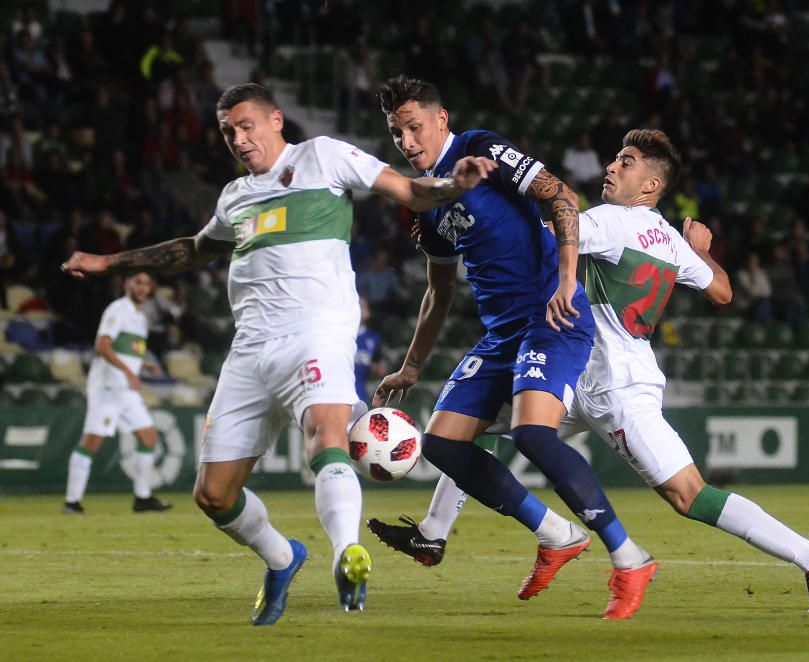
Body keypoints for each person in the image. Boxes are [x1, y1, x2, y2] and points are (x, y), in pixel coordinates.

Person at [60, 82, 495, 625]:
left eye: (246, 126)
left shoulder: (322, 157)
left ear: (275, 121)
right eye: (228, 132)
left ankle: (347, 555)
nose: (239, 140)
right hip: (250, 348)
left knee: (326, 434)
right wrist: (108, 263)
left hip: (316, 331)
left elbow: (408, 191)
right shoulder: (234, 198)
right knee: (213, 495)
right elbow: (194, 251)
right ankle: (283, 558)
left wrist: (454, 184)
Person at [369, 129, 809, 613]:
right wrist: (697, 248)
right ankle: (436, 532)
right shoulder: (670, 242)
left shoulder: (613, 221)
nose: (612, 167)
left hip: (615, 385)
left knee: (688, 496)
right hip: (577, 371)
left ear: (650, 186)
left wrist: (451, 217)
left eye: (627, 161)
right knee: (473, 428)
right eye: (616, 158)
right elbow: (722, 291)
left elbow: (552, 229)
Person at [371, 75, 656, 620]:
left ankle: (629, 557)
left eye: (413, 127)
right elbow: (440, 288)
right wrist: (411, 366)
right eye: (396, 133)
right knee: (441, 444)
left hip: (554, 316)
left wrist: (567, 279)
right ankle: (556, 535)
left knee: (531, 433)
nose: (407, 142)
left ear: (441, 120)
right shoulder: (427, 199)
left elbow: (561, 197)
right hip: (502, 333)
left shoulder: (482, 149)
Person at [62, 272, 172, 515]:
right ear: (126, 284)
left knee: (149, 437)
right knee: (93, 442)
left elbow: (127, 349)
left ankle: (142, 497)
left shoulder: (141, 317)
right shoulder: (117, 309)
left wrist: (143, 364)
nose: (143, 288)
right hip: (108, 388)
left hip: (126, 389)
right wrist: (129, 373)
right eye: (138, 282)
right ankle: (72, 502)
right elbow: (102, 345)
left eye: (147, 284)